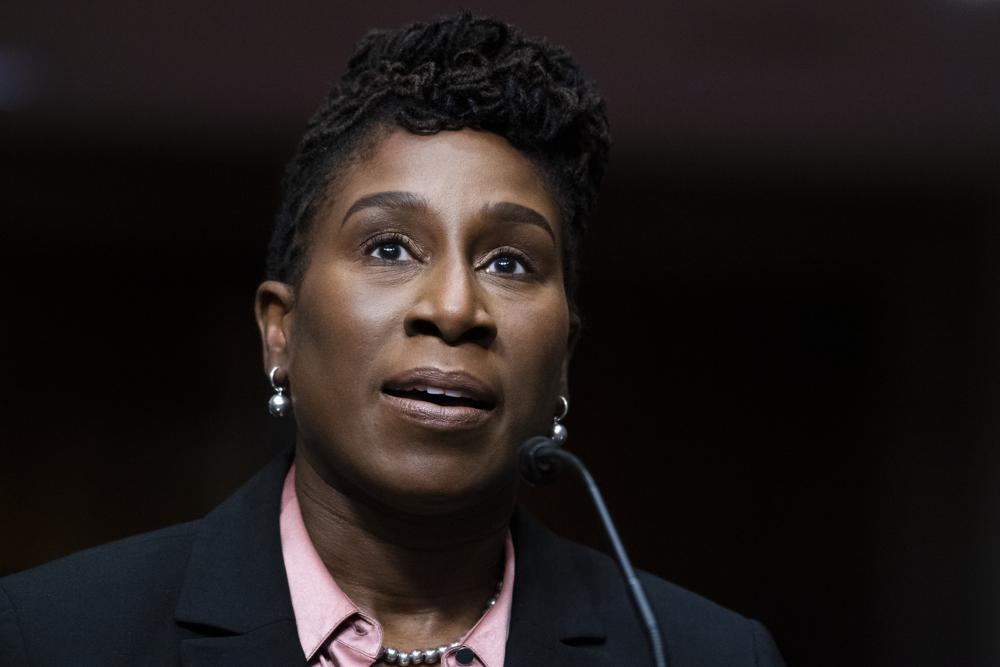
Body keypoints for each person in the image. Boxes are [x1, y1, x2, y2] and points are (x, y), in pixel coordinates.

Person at [0, 13, 785, 666]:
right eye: (389, 247)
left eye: (510, 261)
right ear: (281, 330)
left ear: (564, 363)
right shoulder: (53, 636)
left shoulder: (700, 652)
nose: (453, 307)